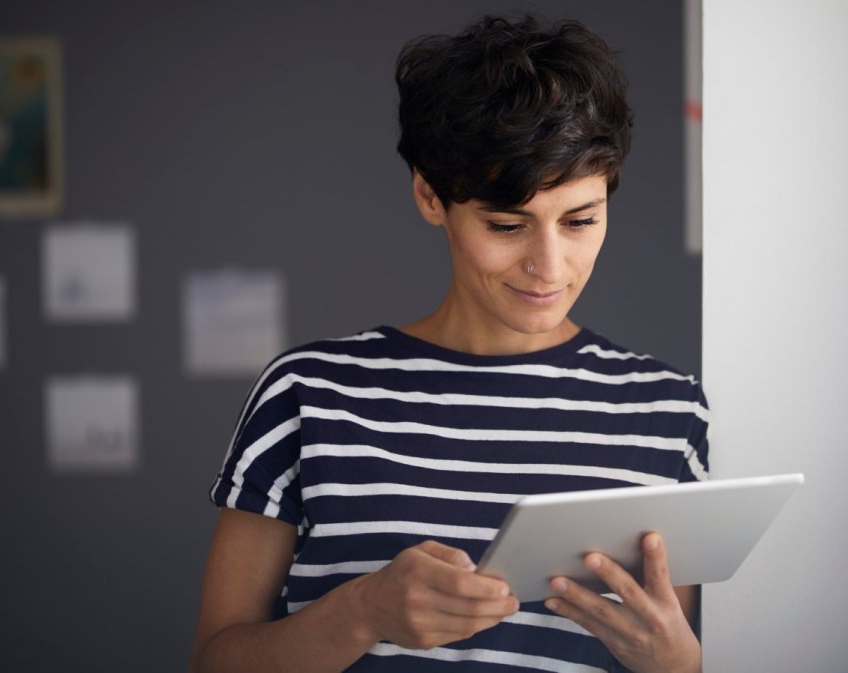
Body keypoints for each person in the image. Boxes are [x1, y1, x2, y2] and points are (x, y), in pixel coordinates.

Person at [190, 14, 709, 673]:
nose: (550, 267)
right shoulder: (309, 394)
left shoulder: (667, 414)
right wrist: (363, 611)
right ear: (429, 195)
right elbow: (214, 661)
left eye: (580, 220)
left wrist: (679, 664)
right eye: (505, 224)